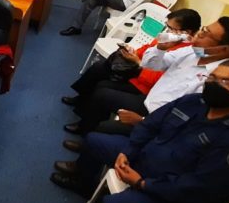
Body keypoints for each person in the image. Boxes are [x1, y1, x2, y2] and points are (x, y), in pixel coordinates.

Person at [52, 60, 229, 203]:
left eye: (225, 83)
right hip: (143, 160)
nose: (213, 85)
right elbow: (150, 125)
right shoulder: (194, 101)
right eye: (212, 78)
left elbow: (200, 189)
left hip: (173, 196)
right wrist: (128, 151)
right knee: (94, 140)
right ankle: (84, 184)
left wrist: (143, 183)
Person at [64, 16, 229, 136]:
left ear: (223, 49)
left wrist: (144, 122)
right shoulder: (194, 52)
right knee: (102, 93)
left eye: (206, 33)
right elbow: (152, 63)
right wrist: (160, 48)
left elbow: (186, 117)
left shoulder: (216, 78)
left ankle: (84, 166)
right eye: (203, 28)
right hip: (150, 100)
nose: (198, 34)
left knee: (103, 129)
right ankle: (84, 130)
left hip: (159, 117)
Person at [61, 9, 201, 144]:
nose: (166, 30)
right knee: (100, 68)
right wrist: (133, 53)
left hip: (143, 85)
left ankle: (86, 123)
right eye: (167, 26)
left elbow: (155, 79)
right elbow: (146, 49)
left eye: (170, 28)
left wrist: (137, 63)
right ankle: (82, 105)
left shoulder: (183, 52)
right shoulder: (167, 39)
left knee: (102, 86)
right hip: (136, 72)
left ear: (185, 32)